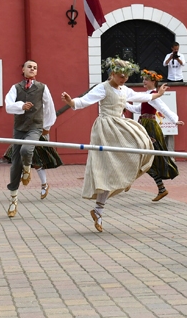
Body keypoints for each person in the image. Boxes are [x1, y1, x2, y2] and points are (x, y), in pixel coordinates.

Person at [62, 58, 164, 233]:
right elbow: (85, 100)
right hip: (106, 129)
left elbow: (141, 96)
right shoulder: (103, 87)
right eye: (120, 75)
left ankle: (120, 184)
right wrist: (72, 102)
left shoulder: (125, 89)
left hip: (120, 125)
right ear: (112, 73)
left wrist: (157, 94)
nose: (123, 79)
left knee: (142, 143)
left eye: (126, 76)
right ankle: (99, 210)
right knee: (106, 169)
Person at [3, 60, 59, 218]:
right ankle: (13, 200)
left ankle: (27, 169)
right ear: (23, 69)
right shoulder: (16, 88)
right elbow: (8, 105)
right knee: (15, 165)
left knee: (27, 149)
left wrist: (47, 125)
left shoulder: (42, 87)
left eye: (35, 67)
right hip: (19, 128)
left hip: (35, 126)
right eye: (30, 67)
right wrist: (20, 106)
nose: (32, 69)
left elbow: (49, 107)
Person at [125, 69, 183, 201]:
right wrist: (123, 103)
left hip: (150, 126)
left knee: (146, 157)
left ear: (153, 81)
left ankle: (129, 181)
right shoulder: (147, 95)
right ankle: (160, 188)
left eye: (146, 79)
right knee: (142, 156)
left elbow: (163, 108)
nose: (143, 81)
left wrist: (174, 120)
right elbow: (137, 109)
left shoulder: (154, 94)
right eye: (144, 79)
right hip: (143, 124)